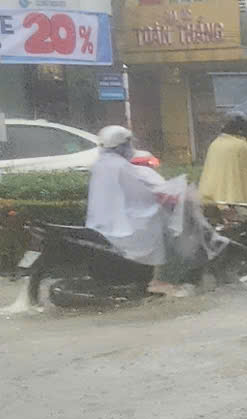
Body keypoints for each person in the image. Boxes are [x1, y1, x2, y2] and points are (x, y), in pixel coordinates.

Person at [86, 124, 214, 294]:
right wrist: (180, 194)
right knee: (173, 233)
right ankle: (162, 280)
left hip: (108, 222)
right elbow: (150, 192)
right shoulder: (121, 167)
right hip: (131, 224)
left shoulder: (102, 164)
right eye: (128, 143)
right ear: (123, 145)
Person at [198, 111, 247, 205]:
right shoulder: (240, 146)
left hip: (212, 201)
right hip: (235, 205)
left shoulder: (215, 143)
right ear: (243, 130)